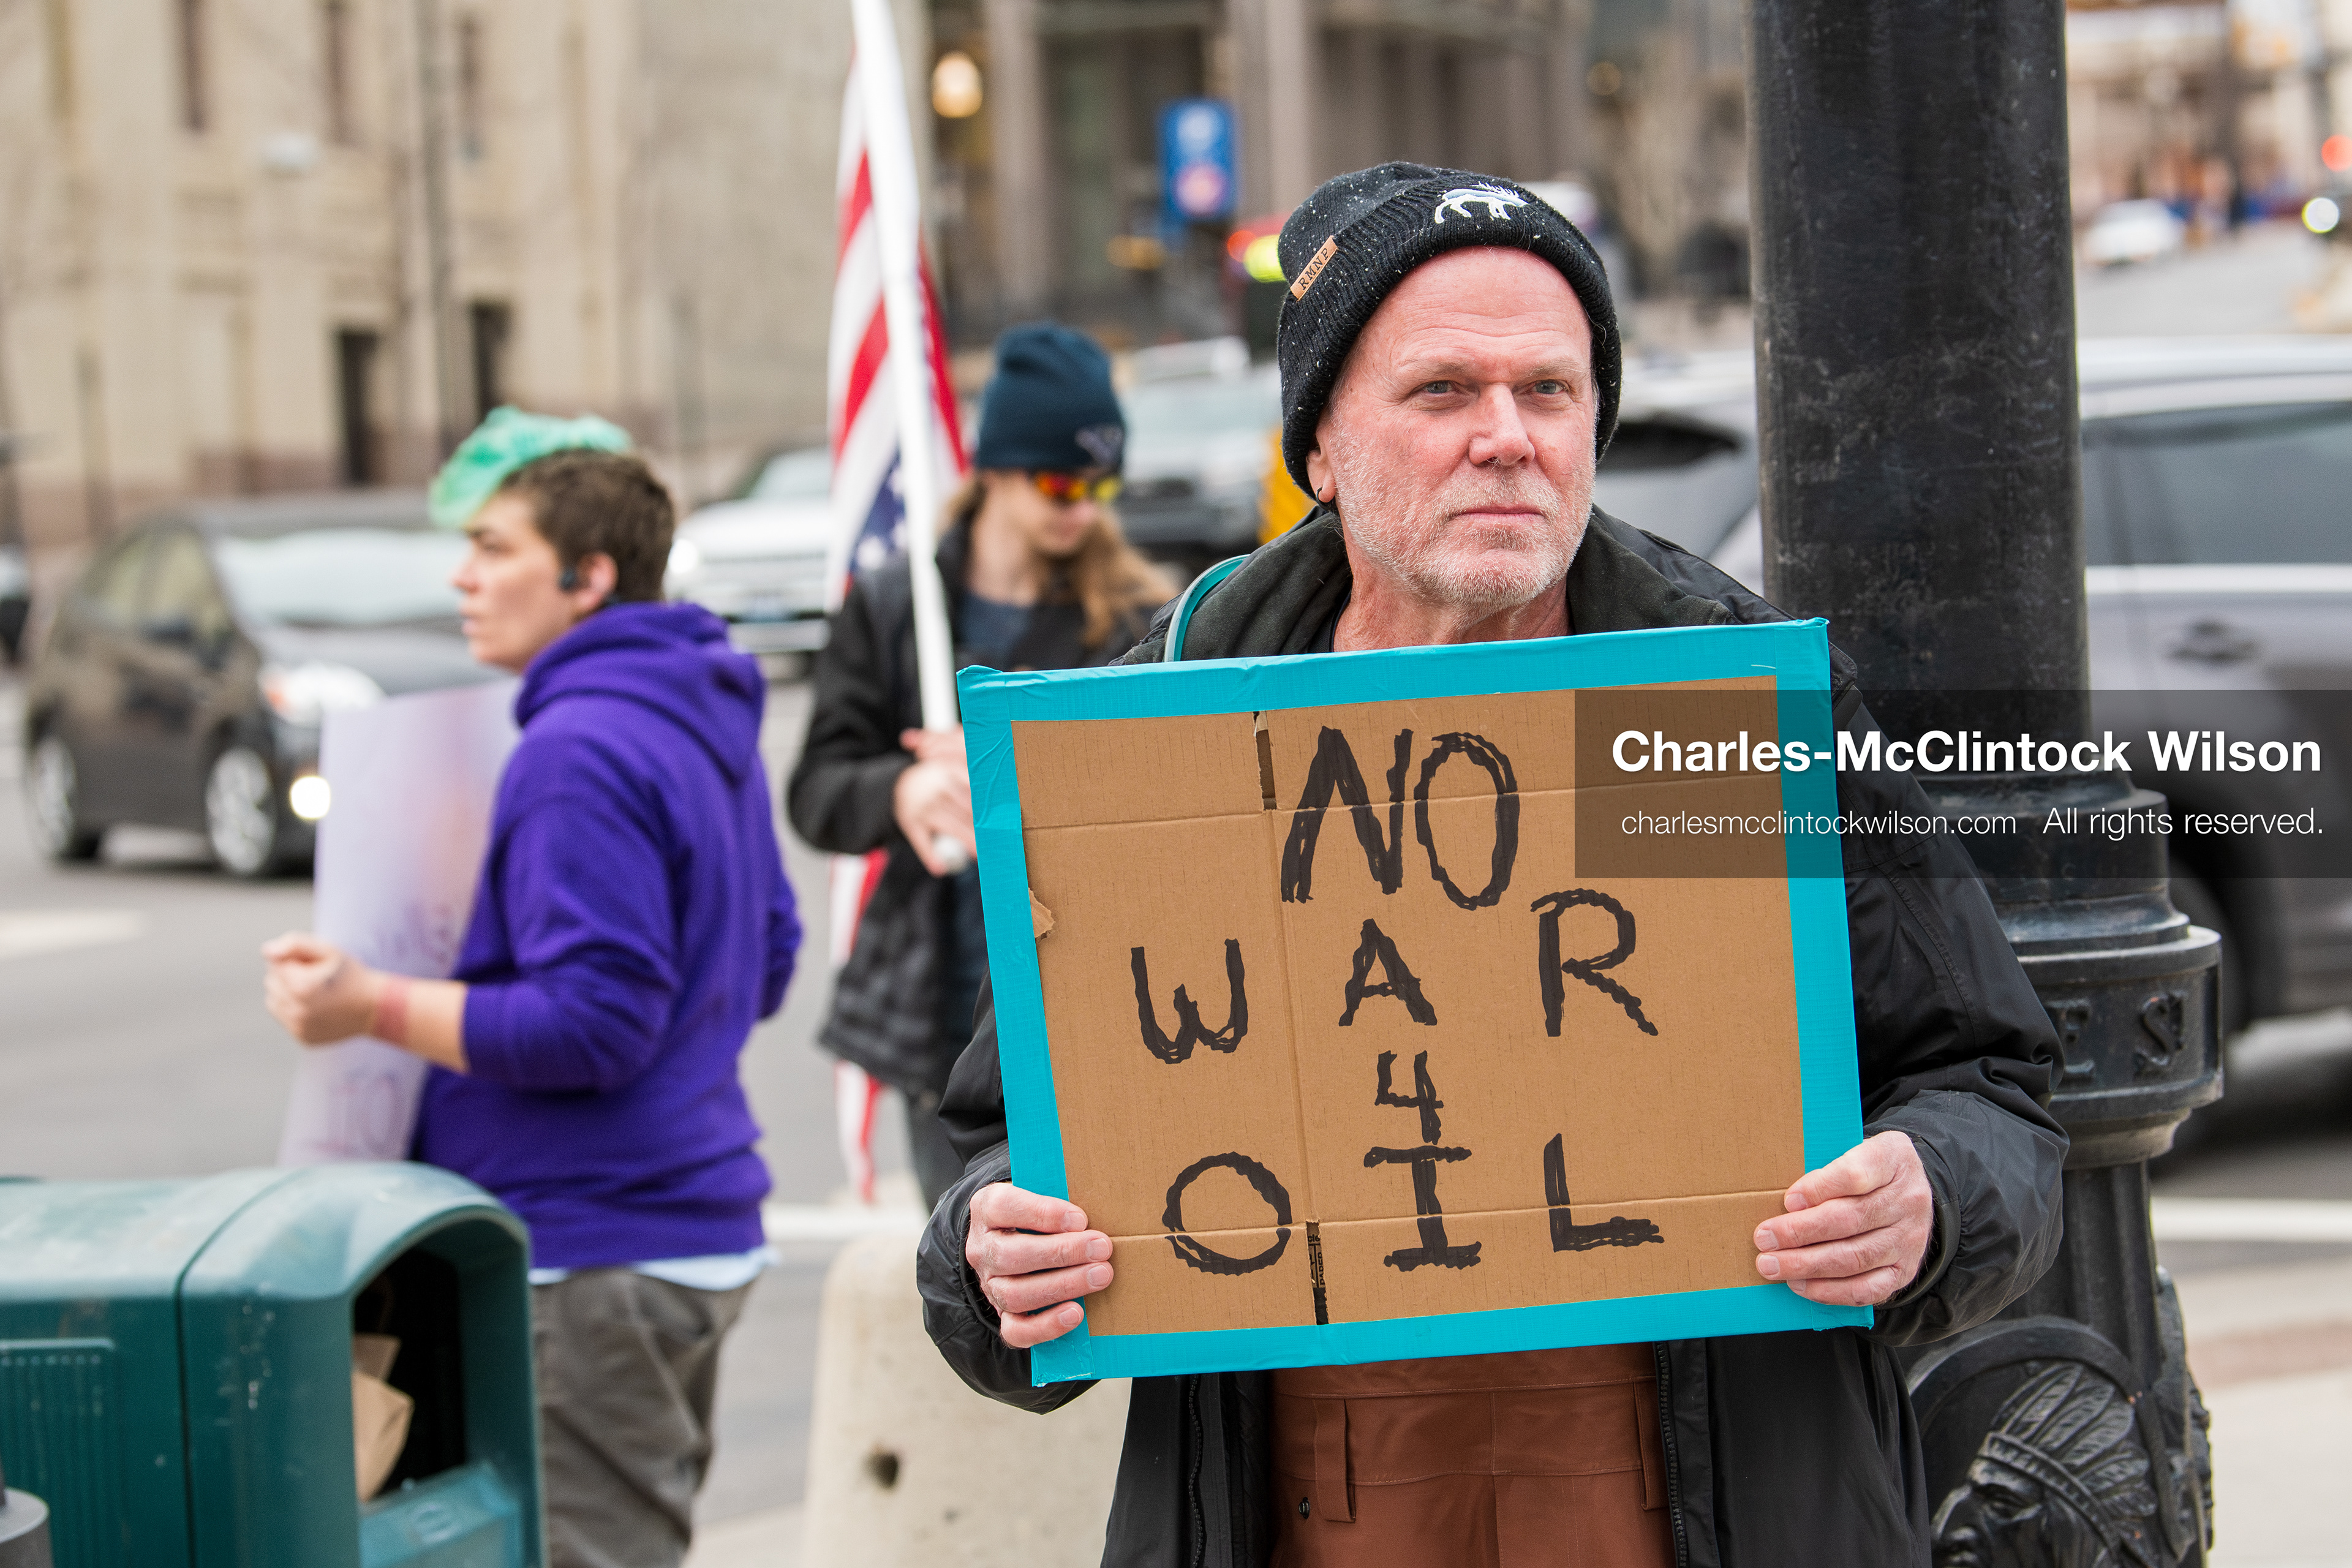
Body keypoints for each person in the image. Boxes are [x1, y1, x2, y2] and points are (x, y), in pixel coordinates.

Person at [917, 165, 2068, 1566]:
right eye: (1443, 391)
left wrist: (1929, 1196)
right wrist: (995, 1256)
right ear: (1323, 449)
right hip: (1310, 1495)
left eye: (1550, 388)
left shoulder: (1718, 715)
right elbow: (1001, 1141)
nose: (1507, 437)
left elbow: (1991, 1082)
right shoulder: (1161, 728)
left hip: (1694, 1497)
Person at [262, 410, 800, 1568]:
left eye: (496, 548)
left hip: (590, 1254)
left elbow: (591, 1025)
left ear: (587, 575)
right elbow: (766, 960)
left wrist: (371, 1004)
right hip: (672, 1235)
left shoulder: (578, 746)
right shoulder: (692, 710)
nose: (465, 576)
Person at [789, 323, 1172, 1208]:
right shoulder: (898, 611)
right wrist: (905, 785)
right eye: (1057, 480)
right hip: (948, 1011)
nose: (1080, 503)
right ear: (995, 467)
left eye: (1099, 483)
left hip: (1102, 991)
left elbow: (1177, 793)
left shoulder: (1141, 618)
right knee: (978, 1267)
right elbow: (815, 791)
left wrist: (1024, 764)